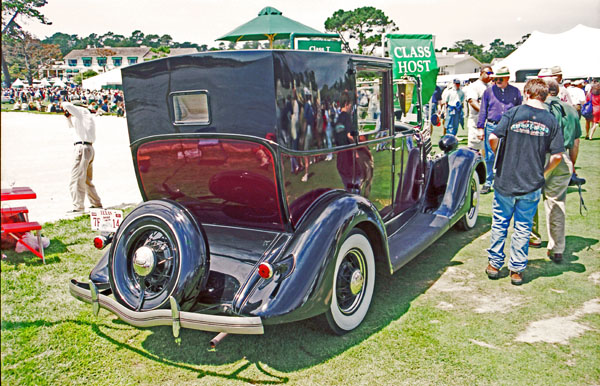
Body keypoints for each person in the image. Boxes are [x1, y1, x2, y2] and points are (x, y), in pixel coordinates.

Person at [485, 78, 563, 285]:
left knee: (500, 223)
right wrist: (544, 173)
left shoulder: (513, 113)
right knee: (523, 226)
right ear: (545, 96)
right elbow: (557, 157)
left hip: (506, 178)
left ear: (526, 93)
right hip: (531, 181)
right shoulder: (551, 120)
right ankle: (516, 270)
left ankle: (494, 264)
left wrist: (500, 156)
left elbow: (493, 137)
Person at [529, 79, 581, 260]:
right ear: (558, 91)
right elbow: (575, 143)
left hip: (538, 156)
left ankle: (533, 236)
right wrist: (572, 165)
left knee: (531, 198)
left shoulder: (537, 109)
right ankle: (557, 247)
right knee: (556, 203)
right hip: (562, 157)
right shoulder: (571, 110)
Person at [477, 66, 522, 194]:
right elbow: (483, 110)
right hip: (492, 125)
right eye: (496, 78)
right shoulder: (488, 92)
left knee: (510, 154)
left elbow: (519, 109)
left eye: (500, 78)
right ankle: (488, 181)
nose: (498, 81)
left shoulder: (515, 91)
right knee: (490, 156)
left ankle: (507, 181)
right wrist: (480, 128)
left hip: (510, 126)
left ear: (507, 78)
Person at [61, 101, 103, 213]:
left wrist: (63, 104)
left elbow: (67, 105)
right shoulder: (84, 118)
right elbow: (72, 132)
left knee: (76, 179)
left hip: (82, 148)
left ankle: (78, 206)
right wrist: (68, 119)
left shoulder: (82, 112)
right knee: (86, 180)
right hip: (88, 148)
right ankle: (96, 203)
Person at [464, 66, 493, 151]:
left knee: (488, 150)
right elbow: (472, 101)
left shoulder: (490, 87)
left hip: (488, 124)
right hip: (476, 123)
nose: (490, 76)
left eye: (491, 74)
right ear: (481, 73)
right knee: (475, 150)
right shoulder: (474, 86)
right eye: (488, 73)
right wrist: (485, 113)